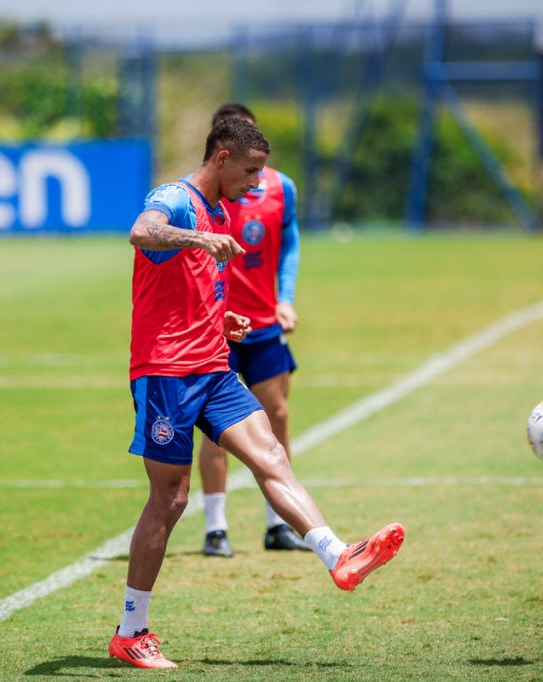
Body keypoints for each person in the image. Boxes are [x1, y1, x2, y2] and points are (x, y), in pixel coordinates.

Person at [108, 116, 404, 670]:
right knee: (170, 500)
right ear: (222, 158)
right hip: (166, 373)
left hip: (214, 368)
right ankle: (131, 630)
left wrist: (220, 320)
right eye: (250, 171)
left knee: (271, 454)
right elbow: (142, 232)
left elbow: (188, 287)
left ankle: (338, 555)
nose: (255, 183)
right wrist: (199, 237)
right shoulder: (175, 199)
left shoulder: (223, 211)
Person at [198, 102, 306, 558]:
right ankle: (215, 528)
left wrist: (285, 297)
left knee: (276, 416)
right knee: (217, 429)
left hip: (263, 324)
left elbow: (290, 242)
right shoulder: (203, 195)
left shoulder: (280, 187)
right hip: (217, 329)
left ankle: (278, 524)